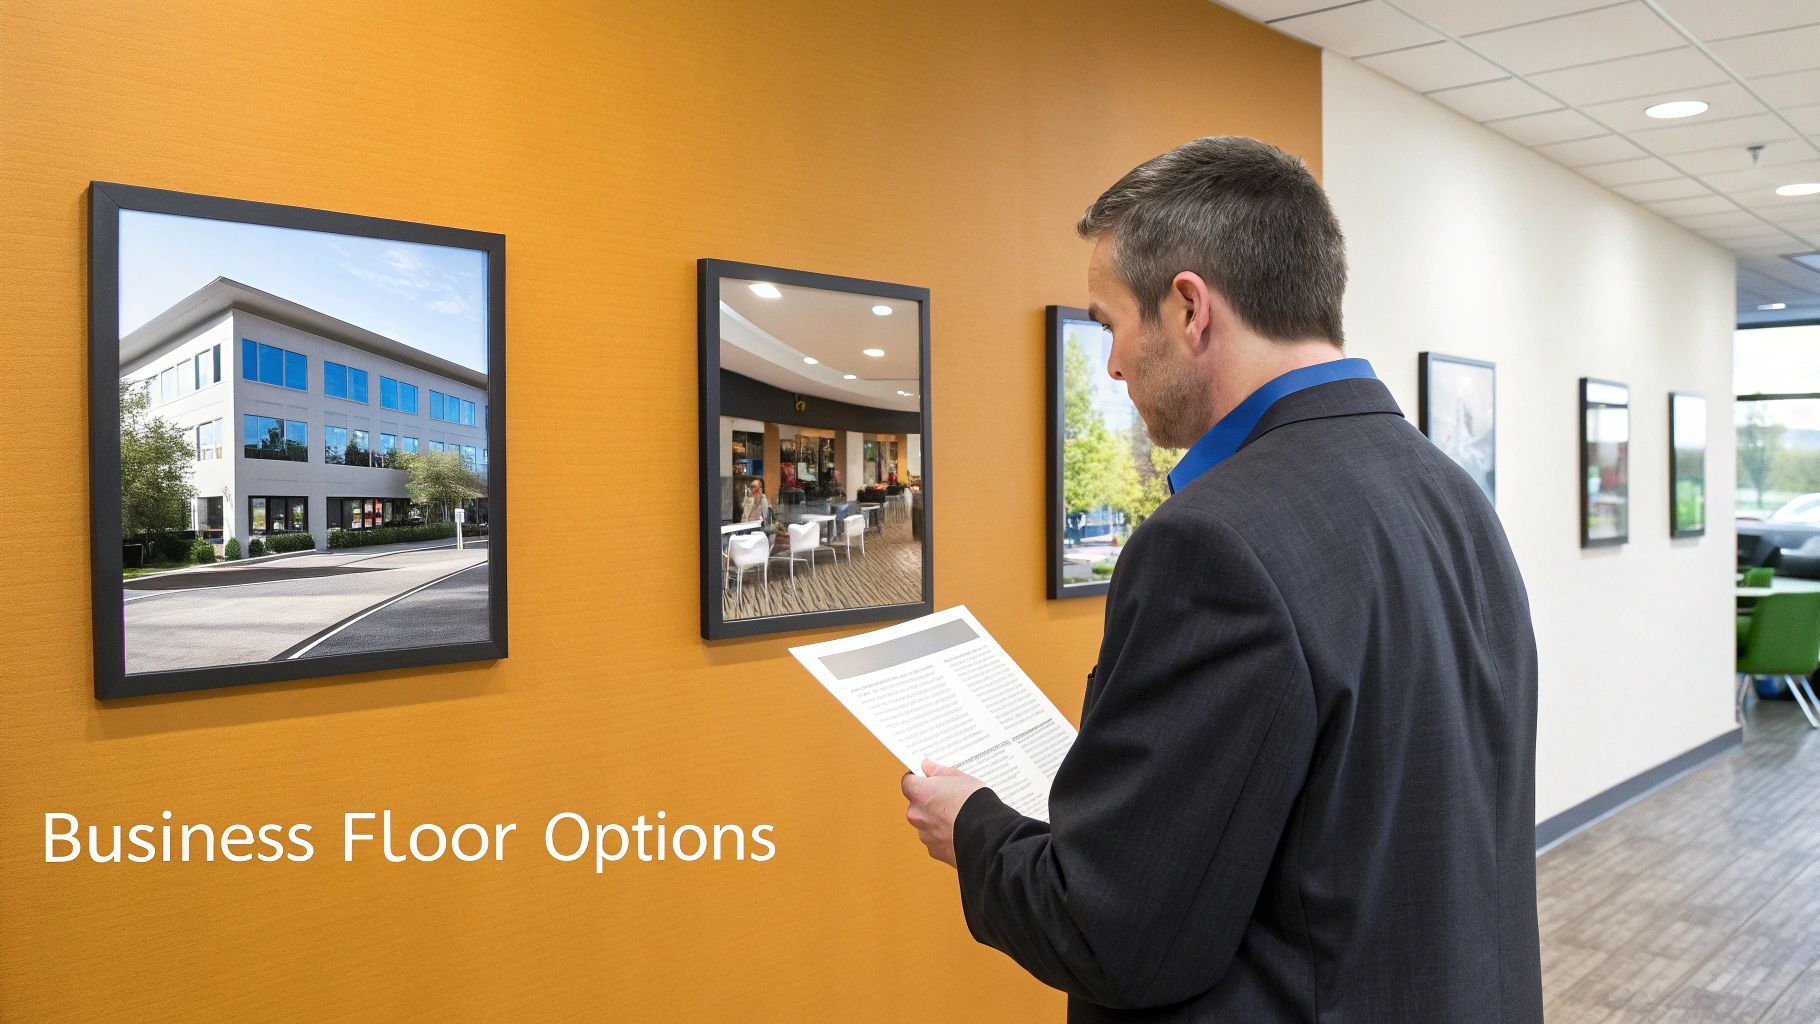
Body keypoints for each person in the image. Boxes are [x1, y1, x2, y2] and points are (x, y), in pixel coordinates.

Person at [900, 137, 1542, 1022]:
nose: (1115, 364)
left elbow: (1112, 934)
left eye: (1110, 323)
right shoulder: (1451, 493)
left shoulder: (1210, 544)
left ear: (1190, 308)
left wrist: (971, 827)